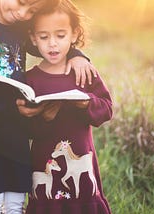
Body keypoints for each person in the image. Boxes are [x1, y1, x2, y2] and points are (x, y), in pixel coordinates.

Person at [0, 0, 98, 213]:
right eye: (21, 3)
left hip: (14, 126)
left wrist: (77, 55)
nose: (23, 14)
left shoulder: (20, 23)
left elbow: (48, 45)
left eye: (33, 11)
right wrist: (11, 108)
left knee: (16, 198)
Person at [17, 0, 113, 213]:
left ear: (73, 34)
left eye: (60, 36)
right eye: (44, 37)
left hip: (82, 158)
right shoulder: (30, 80)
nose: (52, 44)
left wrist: (87, 102)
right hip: (44, 162)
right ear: (33, 37)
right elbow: (24, 129)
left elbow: (106, 109)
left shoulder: (83, 72)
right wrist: (44, 119)